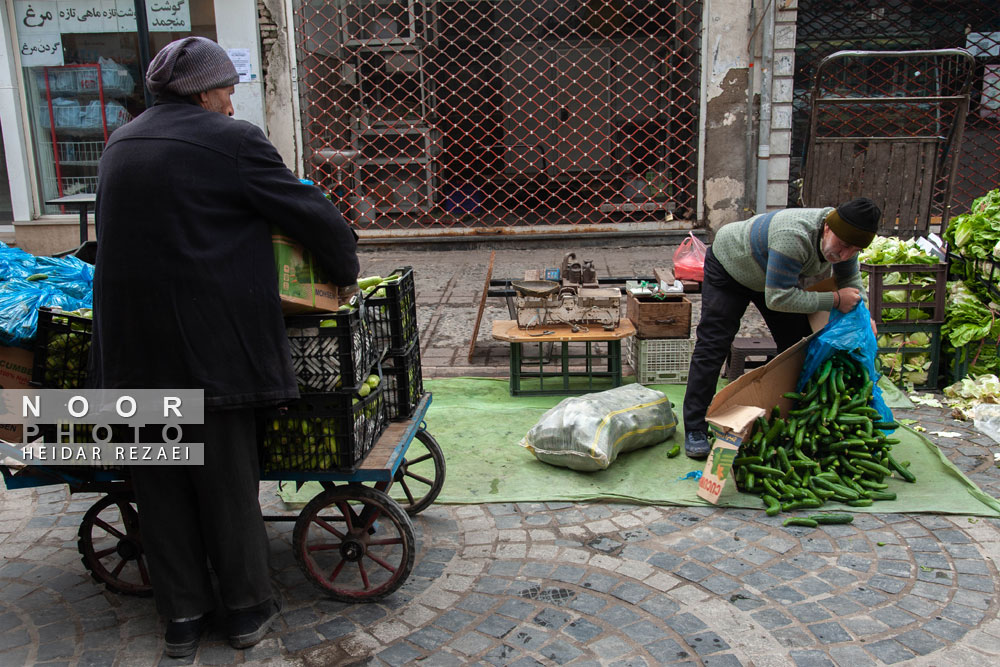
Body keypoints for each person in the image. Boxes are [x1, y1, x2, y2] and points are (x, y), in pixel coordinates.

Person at [91, 37, 360, 658]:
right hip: (206, 349)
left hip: (131, 350)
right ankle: (244, 610)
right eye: (228, 89)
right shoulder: (231, 142)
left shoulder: (119, 144)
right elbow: (308, 213)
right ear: (204, 91)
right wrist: (341, 266)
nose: (233, 100)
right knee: (223, 485)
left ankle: (182, 618)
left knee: (159, 490)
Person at [682, 198, 882, 458]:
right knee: (713, 343)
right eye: (842, 246)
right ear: (827, 229)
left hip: (772, 275)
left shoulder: (846, 241)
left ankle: (796, 418)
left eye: (853, 250)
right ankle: (695, 427)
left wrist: (863, 317)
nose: (844, 255)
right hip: (730, 265)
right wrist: (835, 300)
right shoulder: (793, 236)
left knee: (798, 344)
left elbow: (849, 279)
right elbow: (778, 299)